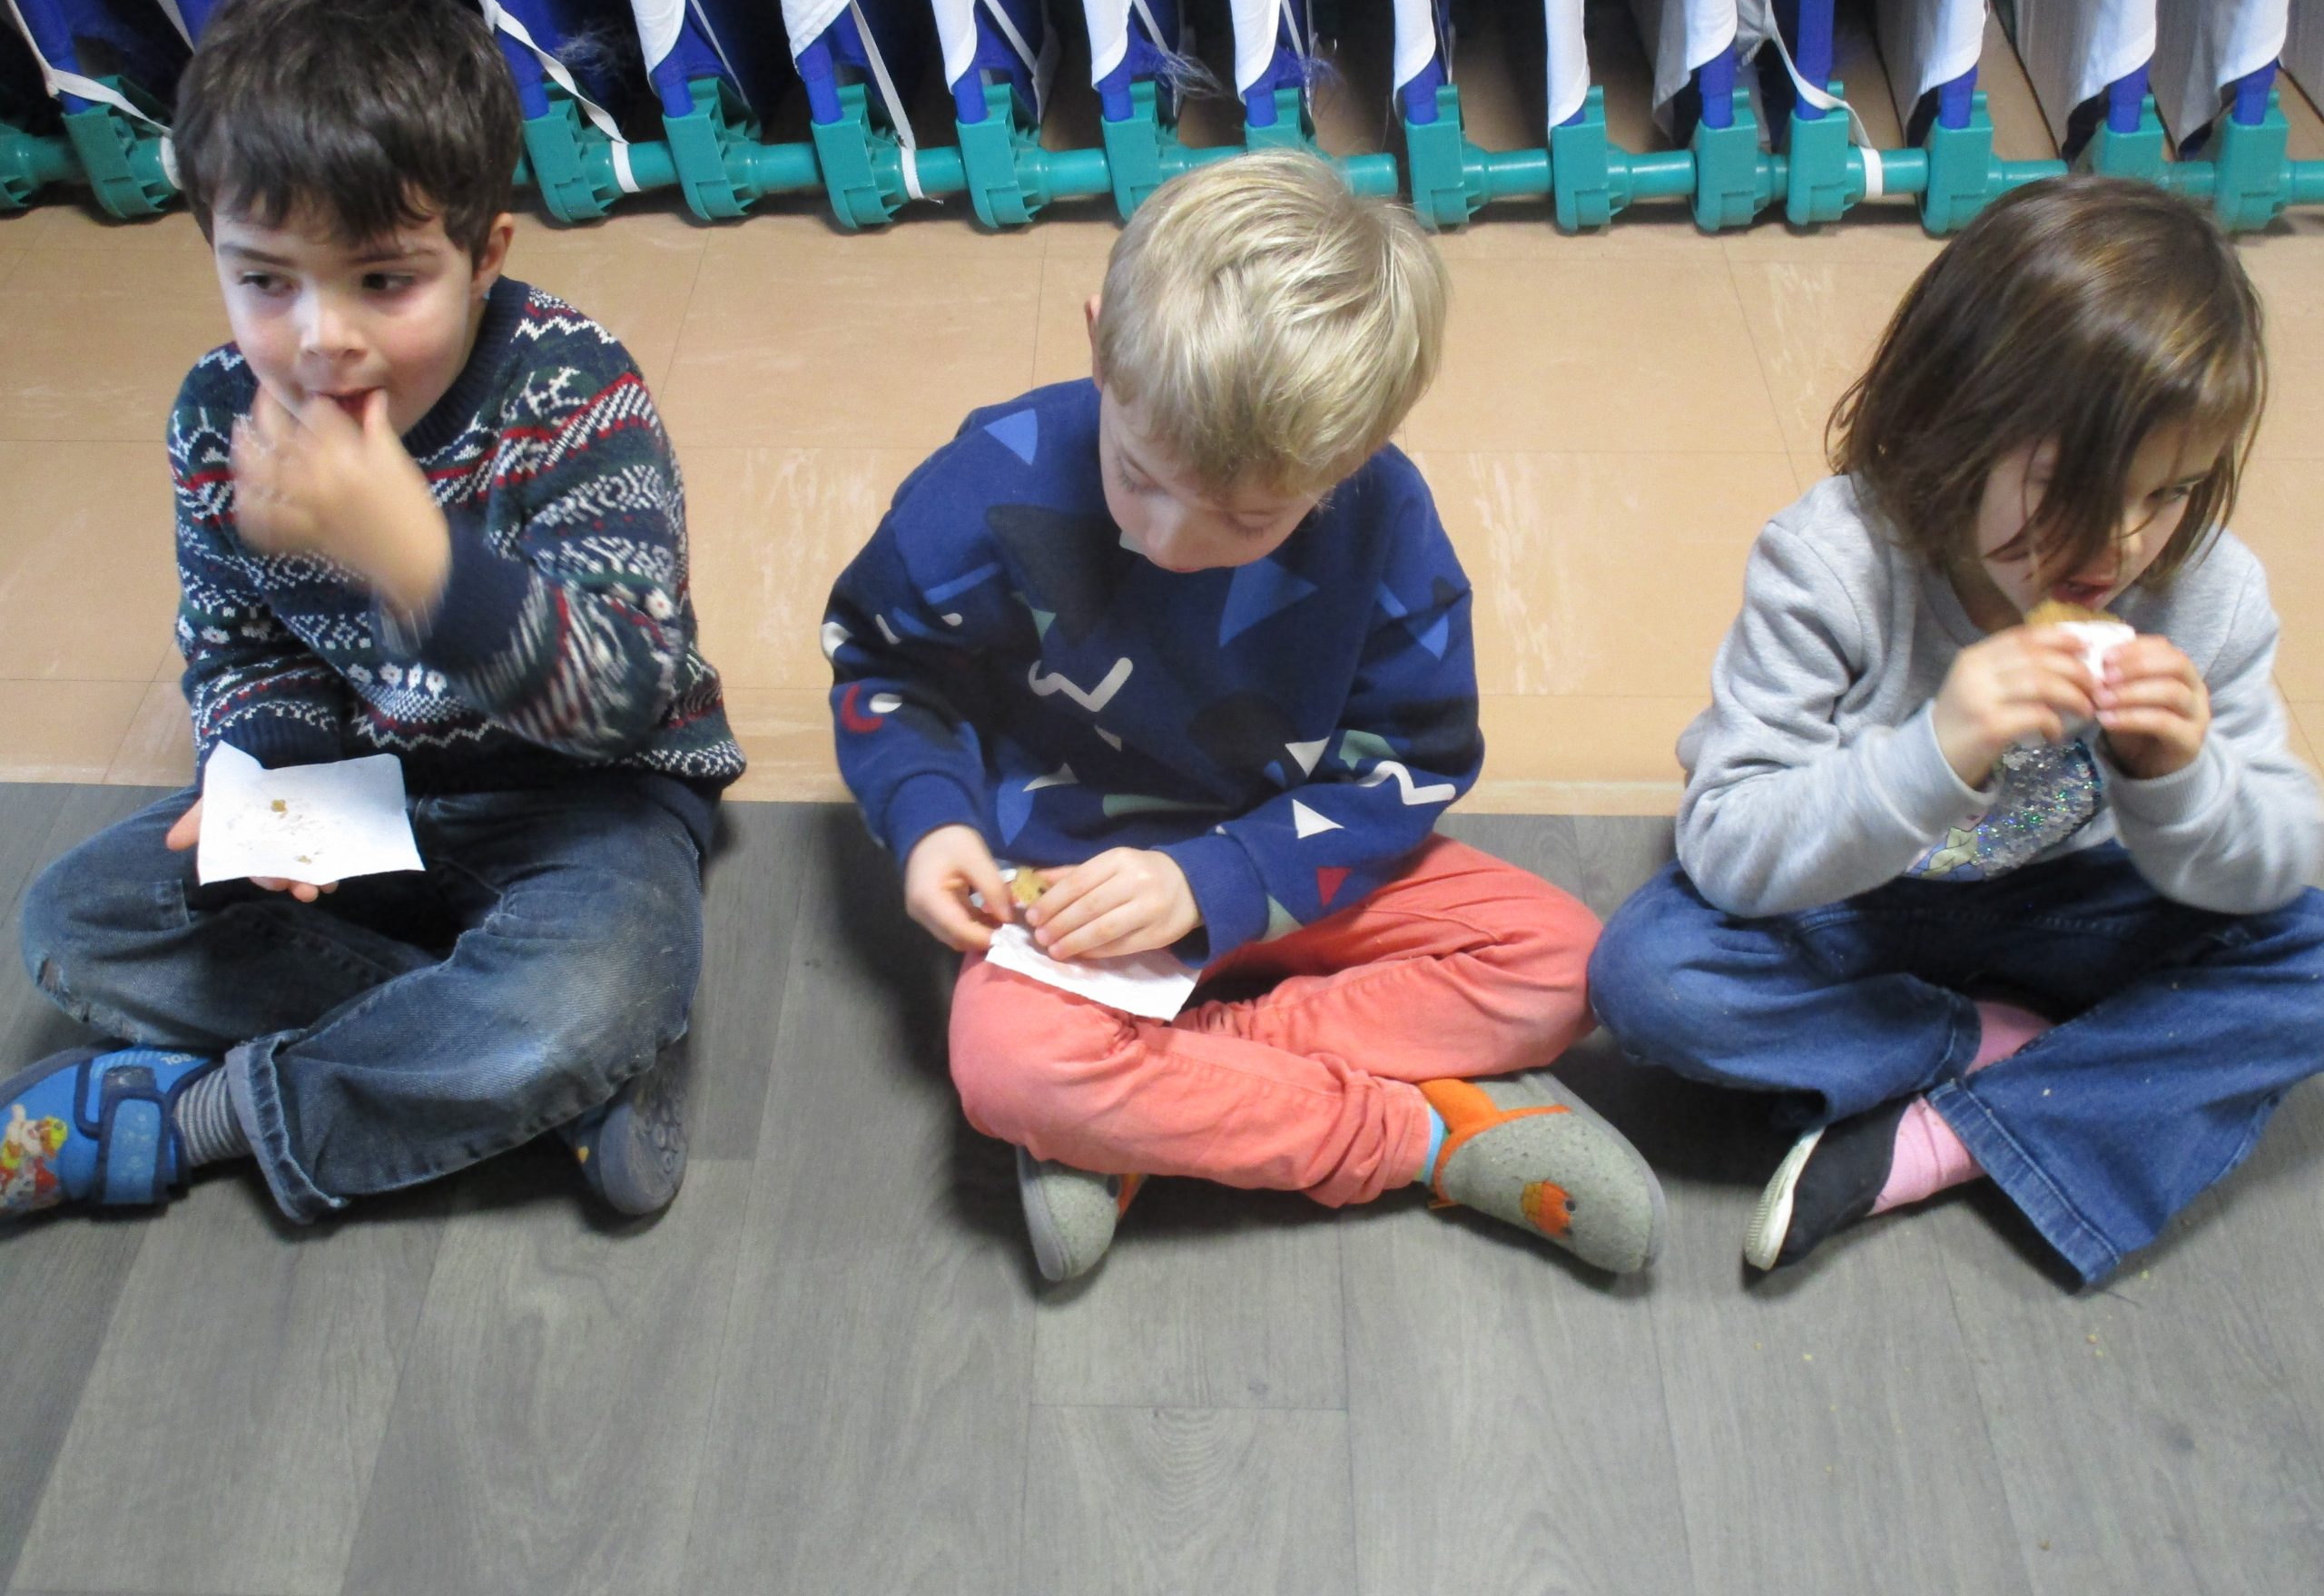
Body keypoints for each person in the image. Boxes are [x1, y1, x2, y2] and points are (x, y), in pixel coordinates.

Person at [824, 151, 1664, 1283]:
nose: (1169, 542)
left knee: (1568, 966)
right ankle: (1427, 1137)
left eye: (1246, 519)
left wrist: (1215, 879)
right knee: (1010, 1067)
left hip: (1295, 862)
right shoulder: (983, 486)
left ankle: (1160, 1093)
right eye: (1138, 476)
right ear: (1100, 345)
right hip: (1066, 891)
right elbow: (883, 670)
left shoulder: (1385, 521)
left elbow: (1408, 768)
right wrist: (930, 822)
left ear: (1347, 461)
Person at [3, 0, 741, 1227]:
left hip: (581, 804)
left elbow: (626, 692)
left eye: (383, 281)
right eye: (265, 280)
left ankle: (199, 1115)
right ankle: (531, 1072)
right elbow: (240, 645)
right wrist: (268, 776)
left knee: (596, 982)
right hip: (360, 806)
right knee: (73, 919)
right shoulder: (221, 414)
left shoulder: (570, 391)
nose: (319, 338)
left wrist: (417, 561)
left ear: (483, 254)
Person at [1589, 175, 2324, 1285]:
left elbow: (2276, 855)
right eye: (2069, 486)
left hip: (2077, 904)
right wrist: (1931, 752)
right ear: (1953, 426)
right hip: (1852, 908)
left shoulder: (2204, 590)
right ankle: (2003, 1054)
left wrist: (2178, 778)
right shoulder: (1834, 561)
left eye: (2169, 492)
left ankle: (1945, 1135)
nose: (2120, 543)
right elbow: (1728, 845)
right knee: (1653, 978)